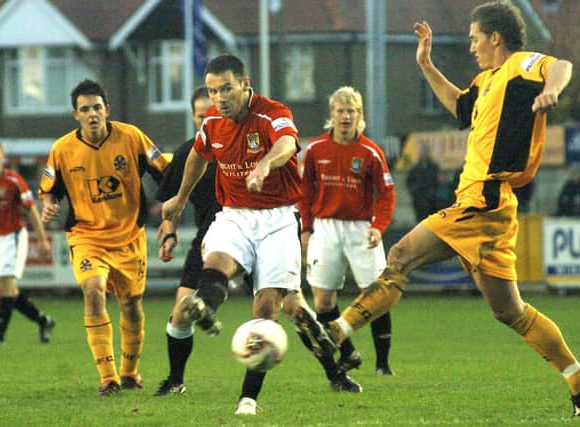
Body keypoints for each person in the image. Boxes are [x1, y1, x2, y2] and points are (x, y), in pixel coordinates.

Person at [299, 1, 580, 417]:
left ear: (495, 38)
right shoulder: (487, 80)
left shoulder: (519, 65)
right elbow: (460, 106)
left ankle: (336, 331)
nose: (471, 47)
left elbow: (561, 65)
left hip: (485, 199)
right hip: (488, 205)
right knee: (510, 311)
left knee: (401, 255)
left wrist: (553, 88)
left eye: (474, 39)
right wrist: (425, 64)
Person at [161, 54, 357, 416]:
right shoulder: (213, 123)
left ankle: (249, 398)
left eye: (226, 89)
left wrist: (265, 163)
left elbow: (286, 144)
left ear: (245, 84)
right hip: (235, 214)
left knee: (270, 308)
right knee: (217, 260)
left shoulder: (271, 112)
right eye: (212, 90)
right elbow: (198, 156)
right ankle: (204, 307)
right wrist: (181, 197)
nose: (219, 98)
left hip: (279, 220)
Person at [39, 79, 170, 396]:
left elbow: (165, 172)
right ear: (76, 115)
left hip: (128, 236)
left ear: (107, 110)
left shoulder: (132, 137)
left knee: (131, 303)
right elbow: (49, 191)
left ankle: (130, 373)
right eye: (85, 109)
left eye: (97, 107)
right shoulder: (62, 150)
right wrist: (49, 207)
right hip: (87, 236)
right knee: (94, 291)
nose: (92, 114)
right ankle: (108, 377)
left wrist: (169, 208)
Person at [298, 86, 396, 375]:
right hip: (325, 228)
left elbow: (387, 194)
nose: (345, 116)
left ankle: (382, 364)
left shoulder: (370, 151)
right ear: (332, 115)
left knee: (376, 294)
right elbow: (304, 193)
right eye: (340, 110)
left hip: (361, 228)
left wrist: (379, 227)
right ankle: (348, 352)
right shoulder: (315, 149)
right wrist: (305, 228)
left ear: (359, 115)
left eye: (351, 111)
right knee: (322, 300)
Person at [152, 86, 219, 396]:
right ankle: (176, 381)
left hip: (254, 236)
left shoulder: (242, 146)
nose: (207, 121)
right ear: (193, 118)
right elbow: (169, 204)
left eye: (212, 114)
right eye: (201, 116)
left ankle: (334, 371)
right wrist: (168, 233)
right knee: (181, 312)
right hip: (208, 240)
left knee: (286, 304)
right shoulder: (186, 154)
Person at [0, 141, 55, 344]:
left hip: (13, 236)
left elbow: (30, 209)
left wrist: (42, 238)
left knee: (4, 286)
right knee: (6, 289)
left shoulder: (13, 180)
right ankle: (43, 320)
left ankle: (0, 334)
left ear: (3, 157)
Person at [406, 144, 439, 222]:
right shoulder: (415, 169)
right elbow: (409, 182)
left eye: (426, 152)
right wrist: (414, 192)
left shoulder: (434, 167)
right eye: (422, 152)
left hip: (432, 201)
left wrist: (433, 192)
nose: (424, 154)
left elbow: (438, 182)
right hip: (419, 201)